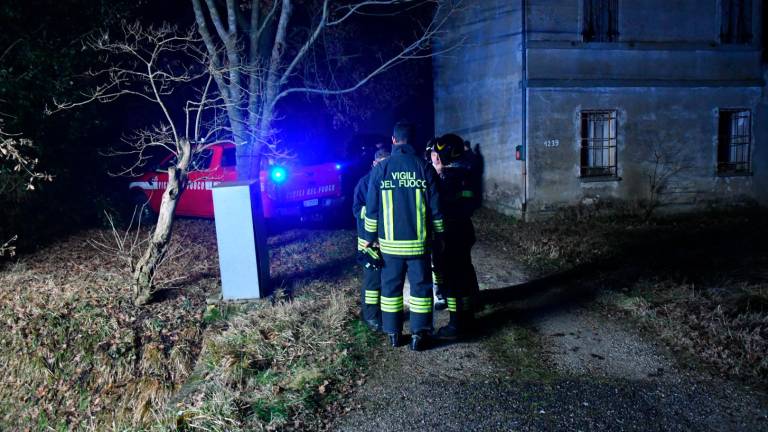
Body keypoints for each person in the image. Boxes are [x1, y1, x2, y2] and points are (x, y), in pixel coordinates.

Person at [363, 121, 444, 351]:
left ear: (393, 140)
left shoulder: (381, 169)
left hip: (389, 247)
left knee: (390, 290)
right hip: (419, 246)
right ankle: (419, 335)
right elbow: (436, 208)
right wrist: (439, 235)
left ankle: (393, 334)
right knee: (421, 289)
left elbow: (372, 209)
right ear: (413, 140)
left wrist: (370, 236)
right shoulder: (424, 167)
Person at [431, 133, 481, 339]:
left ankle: (456, 325)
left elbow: (439, 208)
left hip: (450, 235)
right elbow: (470, 204)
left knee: (453, 280)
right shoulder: (465, 173)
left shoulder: (445, 180)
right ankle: (467, 317)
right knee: (464, 274)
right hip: (464, 231)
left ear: (444, 156)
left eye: (435, 154)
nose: (433, 158)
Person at [352, 149, 390, 332]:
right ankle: (370, 316)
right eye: (380, 163)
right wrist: (375, 213)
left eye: (386, 163)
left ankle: (382, 313)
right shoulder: (364, 183)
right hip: (369, 242)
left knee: (387, 280)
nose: (383, 167)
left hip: (388, 240)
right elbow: (357, 210)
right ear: (374, 164)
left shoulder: (391, 181)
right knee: (372, 282)